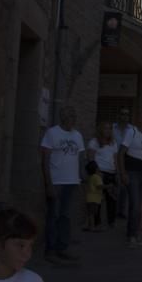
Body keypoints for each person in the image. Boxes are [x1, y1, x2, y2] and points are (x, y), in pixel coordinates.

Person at [39, 106, 84, 265]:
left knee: (65, 217)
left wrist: (79, 179)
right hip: (56, 182)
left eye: (74, 115)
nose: (73, 118)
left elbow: (78, 159)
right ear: (63, 117)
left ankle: (63, 248)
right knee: (53, 216)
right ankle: (50, 250)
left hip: (71, 182)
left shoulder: (78, 135)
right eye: (70, 115)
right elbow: (45, 160)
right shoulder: (52, 133)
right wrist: (48, 184)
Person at [117, 112, 142, 248]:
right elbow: (121, 153)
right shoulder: (131, 132)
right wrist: (123, 173)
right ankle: (131, 236)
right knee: (134, 204)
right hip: (132, 172)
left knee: (140, 205)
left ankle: (135, 232)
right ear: (139, 120)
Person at [86, 122, 118, 229]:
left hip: (111, 173)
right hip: (99, 173)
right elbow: (90, 158)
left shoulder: (113, 143)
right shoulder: (94, 142)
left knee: (112, 199)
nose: (108, 131)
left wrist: (117, 172)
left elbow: (115, 158)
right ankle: (96, 222)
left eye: (109, 128)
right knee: (97, 200)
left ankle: (111, 221)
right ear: (100, 130)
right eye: (105, 128)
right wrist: (97, 172)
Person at [112, 108, 135, 219]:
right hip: (112, 156)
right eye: (123, 114)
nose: (125, 116)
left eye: (127, 114)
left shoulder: (132, 129)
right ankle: (113, 208)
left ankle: (121, 210)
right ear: (119, 115)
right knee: (115, 182)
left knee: (124, 184)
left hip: (126, 157)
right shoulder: (113, 128)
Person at [82, 161, 104, 232]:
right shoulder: (97, 177)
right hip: (94, 198)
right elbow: (99, 186)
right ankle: (92, 226)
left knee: (90, 212)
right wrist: (109, 186)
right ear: (96, 169)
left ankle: (89, 225)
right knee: (92, 213)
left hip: (89, 197)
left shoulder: (90, 177)